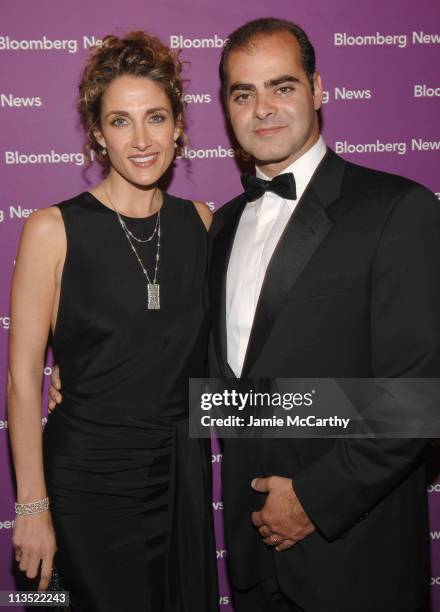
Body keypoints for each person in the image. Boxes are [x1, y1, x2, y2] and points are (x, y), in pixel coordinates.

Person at [207, 17, 440, 612]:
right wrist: (83, 380)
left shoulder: (398, 210)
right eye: (243, 93)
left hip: (355, 553)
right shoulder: (221, 225)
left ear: (318, 89)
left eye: (281, 87)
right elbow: (223, 383)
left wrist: (312, 499)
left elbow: (415, 396)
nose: (263, 108)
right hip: (253, 557)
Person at [8, 31, 218, 612]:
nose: (142, 140)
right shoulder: (52, 229)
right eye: (120, 122)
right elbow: (24, 377)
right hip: (89, 480)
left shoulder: (201, 223)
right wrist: (31, 507)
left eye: (155, 117)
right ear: (98, 135)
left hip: (180, 475)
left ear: (178, 125)